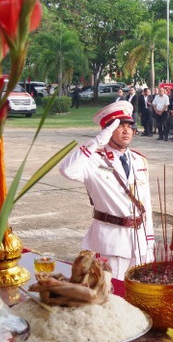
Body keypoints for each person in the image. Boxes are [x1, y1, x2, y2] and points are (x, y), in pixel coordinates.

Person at [59, 101, 155, 280]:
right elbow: (67, 170)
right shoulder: (93, 161)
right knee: (111, 296)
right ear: (107, 130)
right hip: (111, 243)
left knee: (140, 295)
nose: (127, 131)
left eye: (129, 126)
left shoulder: (139, 160)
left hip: (139, 241)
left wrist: (149, 241)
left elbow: (146, 203)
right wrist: (97, 141)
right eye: (119, 126)